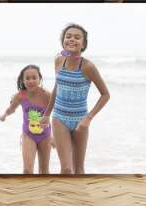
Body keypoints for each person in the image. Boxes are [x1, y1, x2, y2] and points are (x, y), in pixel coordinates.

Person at [41, 23, 110, 174]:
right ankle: (63, 197)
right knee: (66, 169)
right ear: (63, 40)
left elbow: (105, 95)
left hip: (80, 121)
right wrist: (46, 114)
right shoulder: (59, 60)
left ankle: (79, 197)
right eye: (68, 36)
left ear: (83, 44)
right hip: (59, 118)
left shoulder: (88, 67)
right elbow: (57, 87)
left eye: (77, 37)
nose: (72, 39)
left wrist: (88, 118)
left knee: (79, 169)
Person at [0, 65, 52, 174]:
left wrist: (55, 137)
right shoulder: (21, 95)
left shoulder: (47, 95)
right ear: (23, 80)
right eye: (27, 78)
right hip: (28, 134)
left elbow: (57, 112)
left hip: (45, 135)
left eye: (34, 78)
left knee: (44, 171)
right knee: (27, 171)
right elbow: (12, 109)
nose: (31, 81)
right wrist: (5, 114)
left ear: (40, 79)